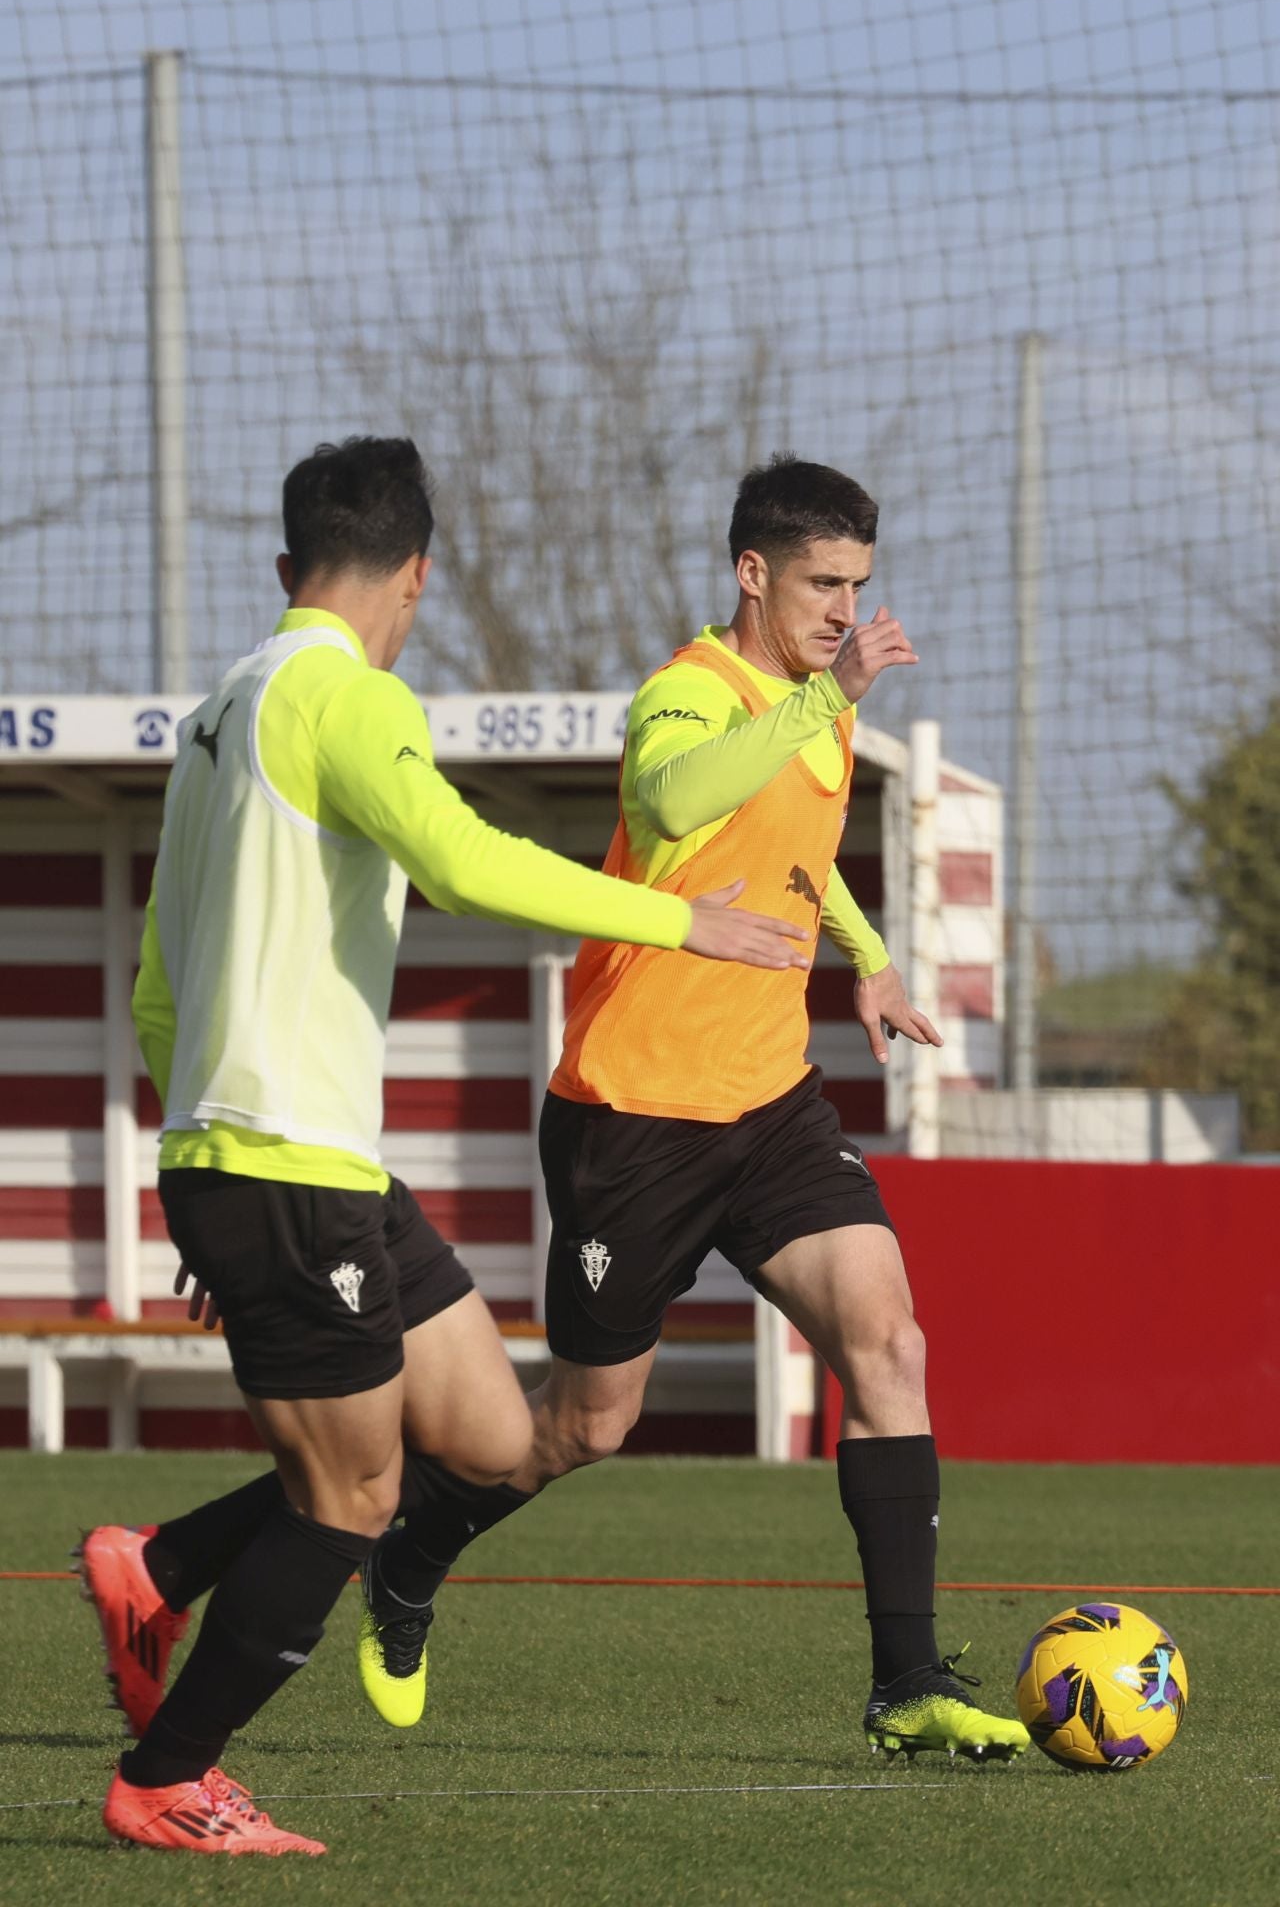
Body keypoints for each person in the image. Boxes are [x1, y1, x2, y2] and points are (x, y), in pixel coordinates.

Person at [77, 436, 809, 1858]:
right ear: (415, 576)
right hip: (282, 1168)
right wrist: (683, 918)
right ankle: (166, 1778)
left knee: (477, 1437)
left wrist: (199, 1170)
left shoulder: (223, 709)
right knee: (347, 1498)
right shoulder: (349, 698)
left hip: (300, 1169)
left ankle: (154, 1567)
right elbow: (465, 860)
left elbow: (155, 987)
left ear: (288, 566)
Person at [356, 454, 1031, 1765]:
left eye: (859, 586)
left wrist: (866, 952)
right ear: (753, 573)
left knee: (890, 1343)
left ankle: (905, 1684)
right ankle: (414, 1549)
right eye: (824, 584)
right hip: (634, 1119)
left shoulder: (817, 706)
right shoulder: (689, 693)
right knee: (586, 1427)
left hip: (771, 1105)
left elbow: (793, 849)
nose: (845, 610)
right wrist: (818, 702)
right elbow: (672, 804)